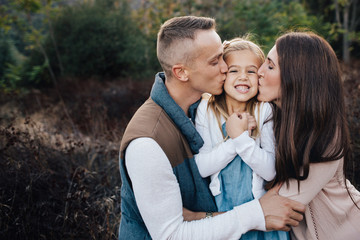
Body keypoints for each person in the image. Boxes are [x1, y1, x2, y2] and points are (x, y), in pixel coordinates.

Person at [118, 16, 305, 240]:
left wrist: (199, 216)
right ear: (182, 73)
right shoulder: (147, 144)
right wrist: (257, 213)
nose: (226, 68)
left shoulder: (197, 108)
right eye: (216, 61)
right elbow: (171, 236)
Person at [257, 31, 360, 240]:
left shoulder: (326, 135)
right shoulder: (272, 118)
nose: (258, 72)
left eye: (270, 66)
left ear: (297, 78)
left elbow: (279, 206)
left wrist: (202, 218)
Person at [193, 37, 289, 240]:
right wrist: (235, 139)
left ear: (260, 75)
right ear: (222, 75)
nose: (243, 77)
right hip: (223, 212)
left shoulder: (264, 110)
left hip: (261, 212)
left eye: (251, 71)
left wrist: (241, 139)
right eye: (234, 70)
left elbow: (270, 170)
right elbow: (201, 167)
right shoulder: (207, 109)